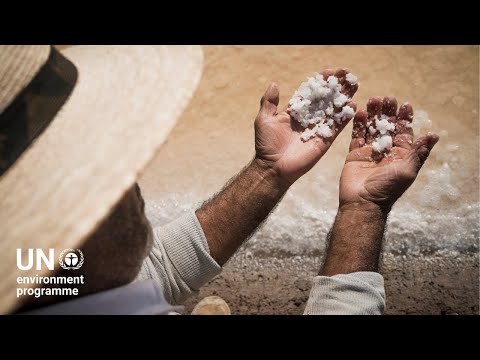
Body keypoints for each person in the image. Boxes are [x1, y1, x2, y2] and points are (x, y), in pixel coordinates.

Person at [0, 46, 438, 315]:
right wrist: (363, 212)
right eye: (98, 162)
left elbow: (142, 273)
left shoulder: (42, 285)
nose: (130, 173)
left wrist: (267, 173)